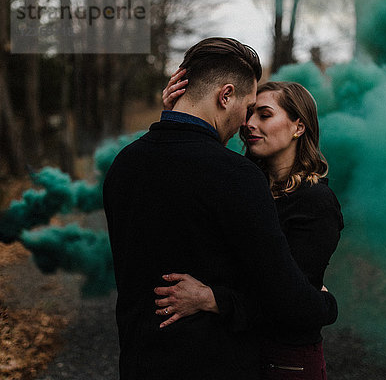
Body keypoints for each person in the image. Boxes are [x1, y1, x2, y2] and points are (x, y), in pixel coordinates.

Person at [103, 37, 338, 380]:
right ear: (225, 96)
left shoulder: (125, 164)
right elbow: (288, 299)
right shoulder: (236, 176)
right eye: (247, 108)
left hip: (139, 363)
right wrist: (326, 305)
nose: (245, 123)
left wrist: (172, 119)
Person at [156, 79, 344, 379]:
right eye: (250, 113)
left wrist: (210, 299)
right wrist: (179, 115)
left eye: (265, 115)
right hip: (234, 353)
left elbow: (289, 303)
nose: (249, 124)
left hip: (285, 360)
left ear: (298, 126)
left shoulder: (314, 202)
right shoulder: (244, 184)